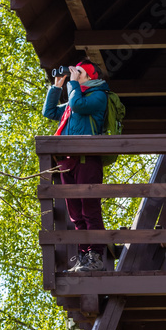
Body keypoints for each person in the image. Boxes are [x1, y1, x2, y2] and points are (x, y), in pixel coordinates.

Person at [42, 61, 110, 272]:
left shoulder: (98, 95)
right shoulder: (73, 98)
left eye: (78, 72)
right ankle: (83, 258)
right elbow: (49, 111)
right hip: (67, 163)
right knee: (75, 214)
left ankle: (96, 257)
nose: (74, 74)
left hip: (87, 160)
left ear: (89, 76)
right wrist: (57, 86)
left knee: (89, 209)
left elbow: (79, 106)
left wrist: (72, 84)